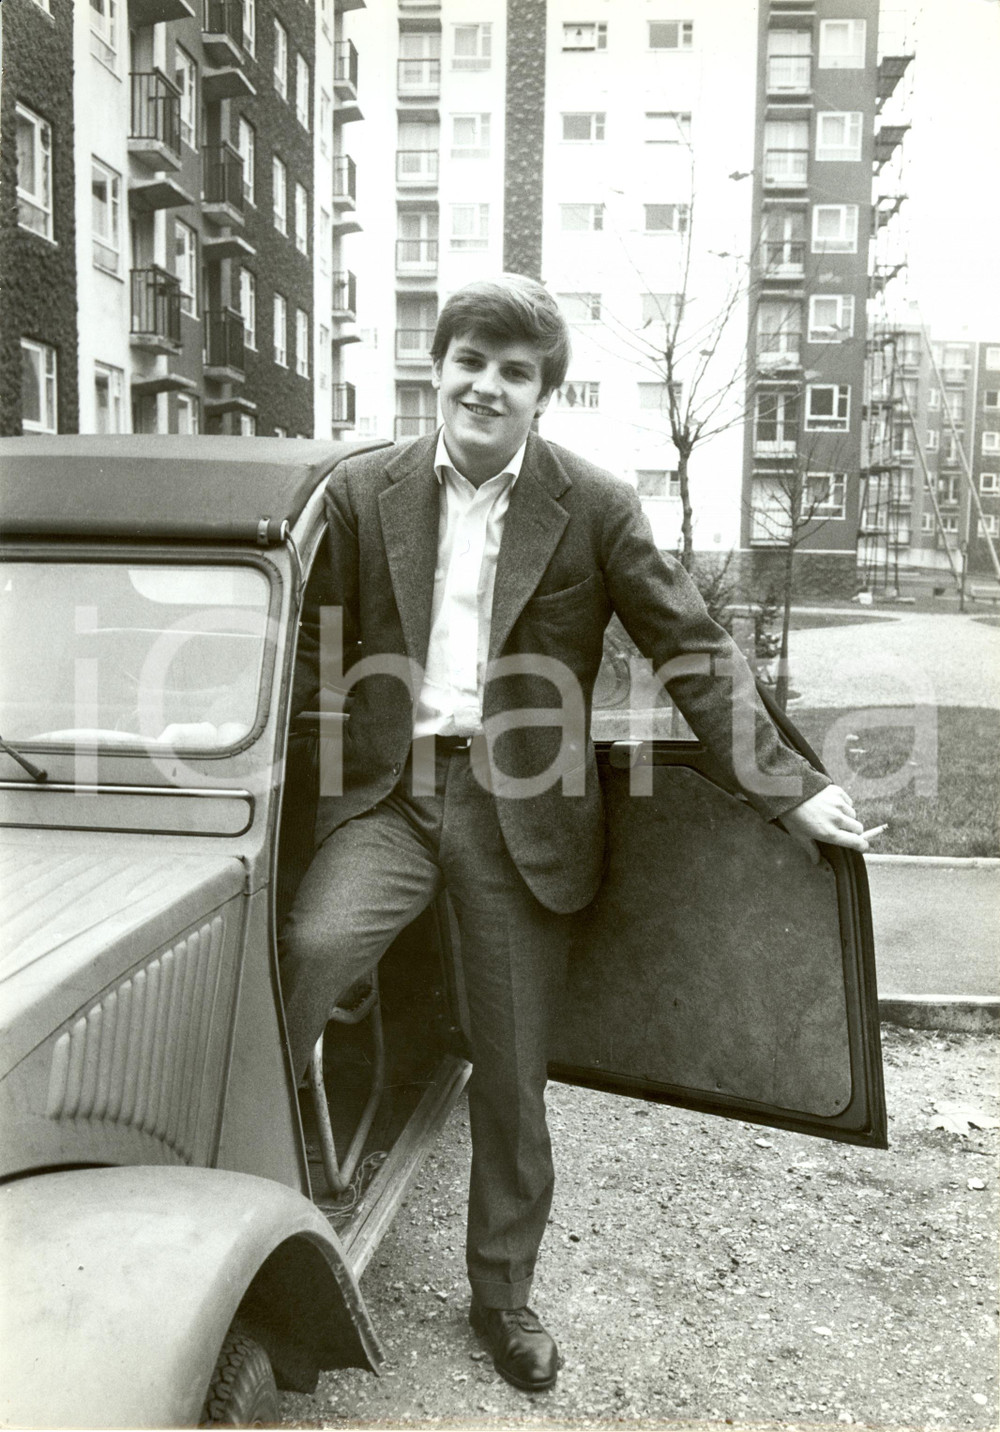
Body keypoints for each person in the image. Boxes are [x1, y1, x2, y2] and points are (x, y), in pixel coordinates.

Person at [280, 274, 868, 1394]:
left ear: (542, 394)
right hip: (390, 799)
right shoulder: (364, 491)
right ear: (437, 367)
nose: (485, 386)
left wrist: (783, 786)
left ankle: (502, 1298)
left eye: (514, 371)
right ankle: (278, 1218)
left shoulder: (590, 505)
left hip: (520, 819)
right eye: (470, 361)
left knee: (511, 1073)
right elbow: (307, 653)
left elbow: (687, 645)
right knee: (305, 957)